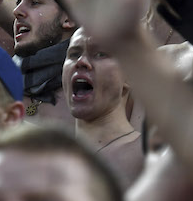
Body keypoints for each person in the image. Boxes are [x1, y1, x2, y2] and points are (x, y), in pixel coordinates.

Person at [62, 27, 144, 187]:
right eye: (74, 54)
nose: (81, 62)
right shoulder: (46, 154)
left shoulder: (151, 157)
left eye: (100, 54)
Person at [12, 0, 77, 124]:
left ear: (69, 18)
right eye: (18, 3)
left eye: (34, 3)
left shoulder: (91, 89)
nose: (16, 12)